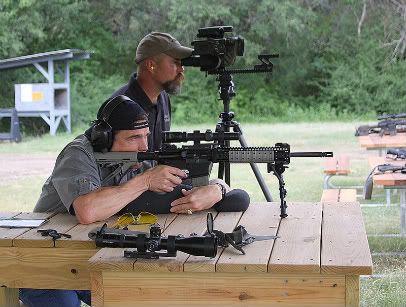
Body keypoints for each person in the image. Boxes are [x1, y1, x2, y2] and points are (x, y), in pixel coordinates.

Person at [20, 95, 248, 307]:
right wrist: (144, 181)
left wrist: (216, 189)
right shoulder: (78, 154)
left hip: (88, 258)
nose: (144, 147)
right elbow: (87, 211)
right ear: (105, 137)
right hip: (42, 261)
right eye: (134, 138)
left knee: (143, 295)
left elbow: (211, 188)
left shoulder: (135, 158)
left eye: (146, 136)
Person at [107, 31, 192, 151]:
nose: (181, 70)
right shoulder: (121, 106)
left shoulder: (163, 97)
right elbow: (112, 164)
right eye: (176, 62)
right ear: (151, 65)